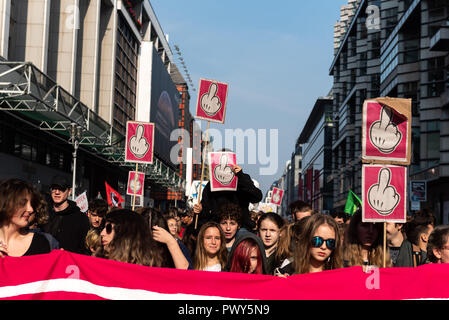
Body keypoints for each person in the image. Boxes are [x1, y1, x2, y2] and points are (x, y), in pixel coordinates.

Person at [96, 209, 189, 269]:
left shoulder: (145, 266)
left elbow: (185, 274)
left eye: (108, 228)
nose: (102, 233)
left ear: (125, 234)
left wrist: (171, 242)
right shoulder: (98, 260)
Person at [194, 158, 263, 231]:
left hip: (241, 227)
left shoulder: (241, 179)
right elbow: (205, 208)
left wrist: (240, 175)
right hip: (218, 228)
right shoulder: (211, 185)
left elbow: (257, 197)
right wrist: (199, 211)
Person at [0, 179, 53, 257]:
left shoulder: (39, 243)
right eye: (23, 203)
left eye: (31, 203)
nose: (31, 209)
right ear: (5, 203)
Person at [278, 214, 343, 276]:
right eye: (317, 240)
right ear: (306, 239)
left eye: (330, 242)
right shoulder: (287, 272)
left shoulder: (343, 272)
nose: (324, 247)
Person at [41, 175, 90, 254]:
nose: (57, 192)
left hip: (67, 264)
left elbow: (84, 249)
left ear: (69, 191)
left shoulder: (80, 218)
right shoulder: (43, 213)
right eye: (54, 189)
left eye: (61, 189)